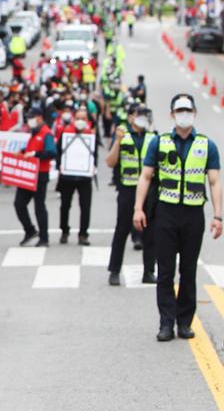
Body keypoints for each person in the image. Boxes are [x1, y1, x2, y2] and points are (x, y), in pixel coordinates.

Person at [134, 94, 222, 342]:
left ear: (194, 112)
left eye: (188, 110)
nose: (184, 114)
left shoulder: (207, 145)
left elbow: (214, 182)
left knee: (188, 270)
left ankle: (185, 322)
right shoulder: (159, 143)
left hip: (193, 215)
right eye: (179, 110)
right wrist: (138, 209)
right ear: (172, 114)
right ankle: (166, 323)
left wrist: (218, 216)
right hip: (166, 213)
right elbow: (146, 176)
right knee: (165, 271)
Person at [106, 105, 157, 286]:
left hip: (149, 191)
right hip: (128, 189)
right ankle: (114, 270)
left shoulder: (153, 138)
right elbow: (110, 162)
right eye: (139, 115)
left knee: (150, 232)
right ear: (130, 118)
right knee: (122, 230)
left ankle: (149, 271)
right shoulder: (122, 136)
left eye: (145, 115)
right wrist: (117, 142)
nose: (143, 118)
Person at [14, 108, 56, 247]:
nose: (29, 121)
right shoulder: (34, 133)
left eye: (31, 118)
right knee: (19, 203)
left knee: (39, 206)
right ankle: (30, 230)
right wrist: (23, 152)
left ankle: (44, 238)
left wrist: (35, 154)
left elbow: (51, 152)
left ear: (39, 117)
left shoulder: (46, 133)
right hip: (28, 173)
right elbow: (31, 149)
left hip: (40, 174)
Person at [57, 108, 96, 245]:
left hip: (84, 178)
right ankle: (64, 231)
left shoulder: (91, 134)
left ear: (87, 121)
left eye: (83, 118)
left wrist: (93, 167)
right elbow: (58, 152)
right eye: (78, 118)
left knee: (85, 207)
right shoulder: (65, 133)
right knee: (65, 205)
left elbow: (94, 154)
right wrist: (59, 166)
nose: (80, 121)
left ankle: (83, 234)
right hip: (67, 177)